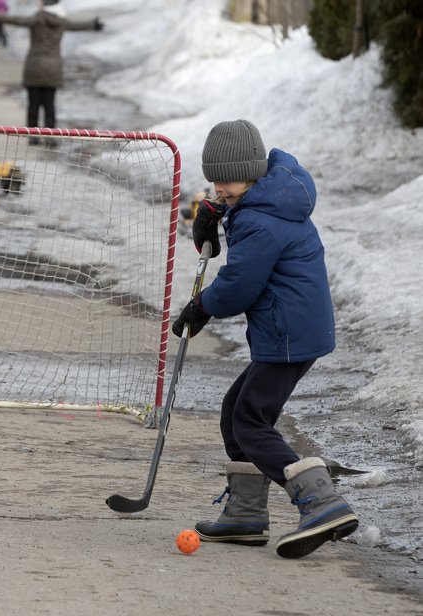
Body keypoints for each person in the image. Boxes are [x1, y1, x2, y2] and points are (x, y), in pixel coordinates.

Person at [172, 119, 359, 559]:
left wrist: (201, 307)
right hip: (293, 326)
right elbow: (242, 222)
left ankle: (321, 501)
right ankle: (246, 513)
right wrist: (221, 213)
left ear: (252, 172)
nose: (219, 188)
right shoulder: (270, 197)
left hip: (287, 331)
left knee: (251, 421)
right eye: (214, 180)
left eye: (227, 182)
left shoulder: (260, 220)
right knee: (235, 409)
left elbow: (239, 284)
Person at [0, 0, 103, 137]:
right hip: (53, 69)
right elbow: (77, 25)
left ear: (46, 4)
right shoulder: (61, 21)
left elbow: (16, 20)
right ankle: (50, 136)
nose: (38, 4)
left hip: (34, 68)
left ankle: (33, 136)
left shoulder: (36, 19)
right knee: (49, 105)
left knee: (33, 104)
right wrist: (93, 24)